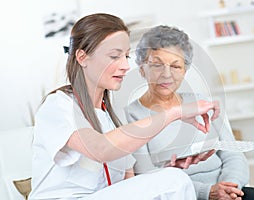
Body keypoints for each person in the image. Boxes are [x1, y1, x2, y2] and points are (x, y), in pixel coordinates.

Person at [28, 14, 221, 200]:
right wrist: (174, 113)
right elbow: (100, 148)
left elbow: (128, 182)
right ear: (82, 57)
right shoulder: (59, 105)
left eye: (126, 57)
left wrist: (168, 170)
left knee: (173, 179)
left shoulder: (110, 118)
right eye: (114, 56)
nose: (125, 66)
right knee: (174, 181)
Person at [125, 25, 254, 200]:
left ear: (185, 70)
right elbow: (147, 175)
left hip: (226, 189)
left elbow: (233, 154)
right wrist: (207, 192)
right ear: (141, 69)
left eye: (176, 66)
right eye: (157, 65)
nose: (166, 74)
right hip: (182, 195)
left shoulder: (200, 102)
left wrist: (228, 188)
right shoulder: (132, 116)